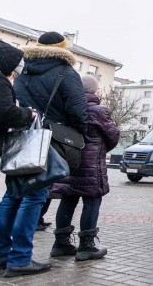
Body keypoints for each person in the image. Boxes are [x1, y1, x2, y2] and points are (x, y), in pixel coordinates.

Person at [0, 31, 87, 277]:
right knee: (34, 196)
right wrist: (78, 132)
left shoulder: (23, 72)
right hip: (49, 141)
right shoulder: (66, 72)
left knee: (12, 195)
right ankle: (20, 259)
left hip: (21, 140)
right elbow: (78, 110)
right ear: (64, 49)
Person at [0, 37, 38, 275]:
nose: (13, 76)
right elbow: (0, 112)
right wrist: (27, 114)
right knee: (29, 197)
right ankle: (17, 259)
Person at [50, 75, 120, 260]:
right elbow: (112, 136)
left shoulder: (66, 107)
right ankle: (86, 246)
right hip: (91, 164)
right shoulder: (98, 110)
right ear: (94, 90)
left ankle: (61, 243)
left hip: (69, 161)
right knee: (92, 199)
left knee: (68, 198)